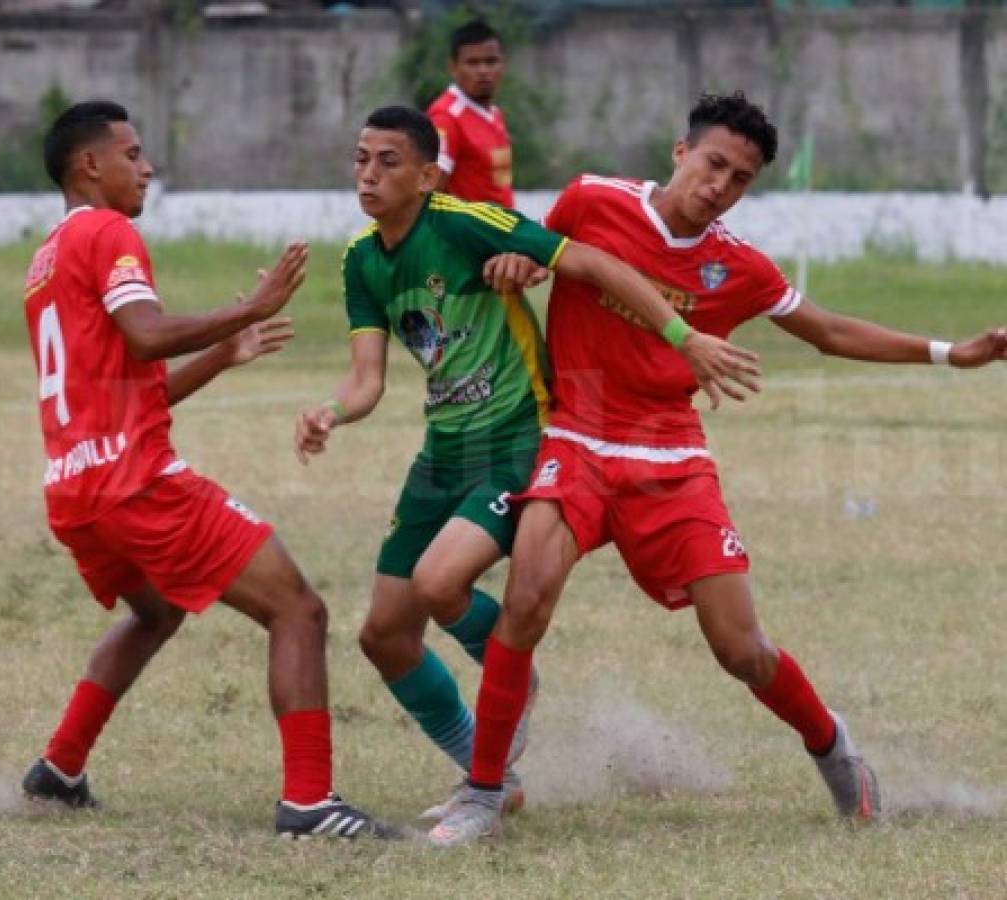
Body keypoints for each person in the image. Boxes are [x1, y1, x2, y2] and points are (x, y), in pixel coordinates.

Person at [426, 91, 1007, 845]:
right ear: (679, 152)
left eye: (738, 178)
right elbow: (536, 250)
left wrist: (947, 352)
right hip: (578, 435)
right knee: (527, 596)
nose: (719, 186)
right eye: (712, 164)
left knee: (740, 648)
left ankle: (833, 747)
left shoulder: (733, 265)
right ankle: (483, 789)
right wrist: (518, 262)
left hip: (671, 456)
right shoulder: (590, 200)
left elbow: (826, 330)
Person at [293, 105, 760, 821]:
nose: (368, 174)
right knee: (382, 634)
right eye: (360, 158)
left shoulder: (460, 220)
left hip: (517, 438)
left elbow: (593, 261)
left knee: (439, 583)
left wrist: (679, 333)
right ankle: (489, 769)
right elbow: (367, 379)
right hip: (442, 449)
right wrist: (331, 412)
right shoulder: (361, 258)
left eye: (388, 161)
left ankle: (513, 676)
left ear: (425, 176)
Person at [19, 100, 393, 839]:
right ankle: (310, 803)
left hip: (75, 489)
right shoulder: (108, 230)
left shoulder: (45, 260)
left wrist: (222, 353)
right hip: (135, 484)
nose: (146, 165)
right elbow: (147, 333)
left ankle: (57, 770)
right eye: (131, 153)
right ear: (89, 165)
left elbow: (131, 385)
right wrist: (246, 308)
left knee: (154, 612)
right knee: (299, 610)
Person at [427, 18, 513, 206]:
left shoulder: (495, 114)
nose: (483, 71)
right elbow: (431, 191)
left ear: (502, 65)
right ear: (453, 68)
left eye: (491, 62)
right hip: (470, 233)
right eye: (472, 63)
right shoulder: (446, 117)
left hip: (501, 231)